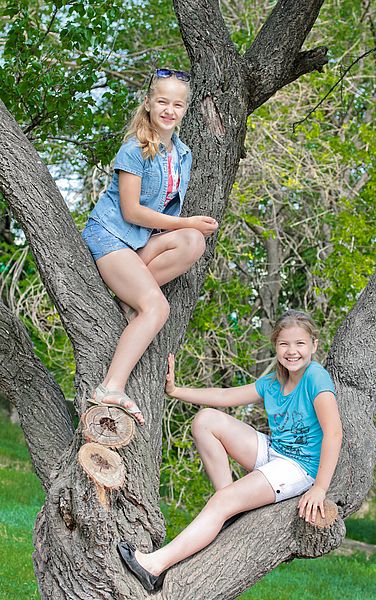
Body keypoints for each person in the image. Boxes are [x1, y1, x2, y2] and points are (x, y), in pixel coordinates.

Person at [117, 309, 343, 591]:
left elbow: (334, 433)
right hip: (275, 452)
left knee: (222, 501)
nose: (292, 351)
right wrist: (175, 390)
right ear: (275, 345)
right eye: (285, 344)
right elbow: (226, 396)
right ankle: (229, 509)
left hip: (298, 468)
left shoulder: (316, 378)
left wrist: (320, 488)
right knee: (206, 420)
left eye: (300, 343)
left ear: (314, 346)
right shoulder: (274, 381)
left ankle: (153, 567)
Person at [82, 68, 218, 425]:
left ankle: (131, 297)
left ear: (185, 109)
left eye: (177, 104)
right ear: (149, 103)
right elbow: (131, 210)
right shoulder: (135, 148)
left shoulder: (183, 154)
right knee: (157, 308)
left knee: (193, 243)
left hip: (140, 245)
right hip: (111, 237)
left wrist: (189, 228)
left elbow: (166, 218)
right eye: (162, 101)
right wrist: (187, 220)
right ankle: (111, 387)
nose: (169, 110)